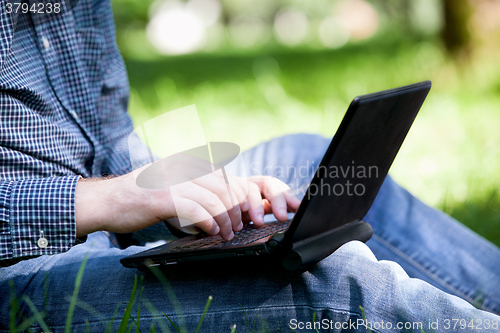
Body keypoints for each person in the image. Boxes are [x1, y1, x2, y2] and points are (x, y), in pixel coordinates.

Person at [0, 0, 499, 331]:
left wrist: (178, 197)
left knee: (313, 163)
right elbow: (110, 194)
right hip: (20, 272)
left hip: (111, 230)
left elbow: (106, 133)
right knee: (326, 278)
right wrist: (111, 199)